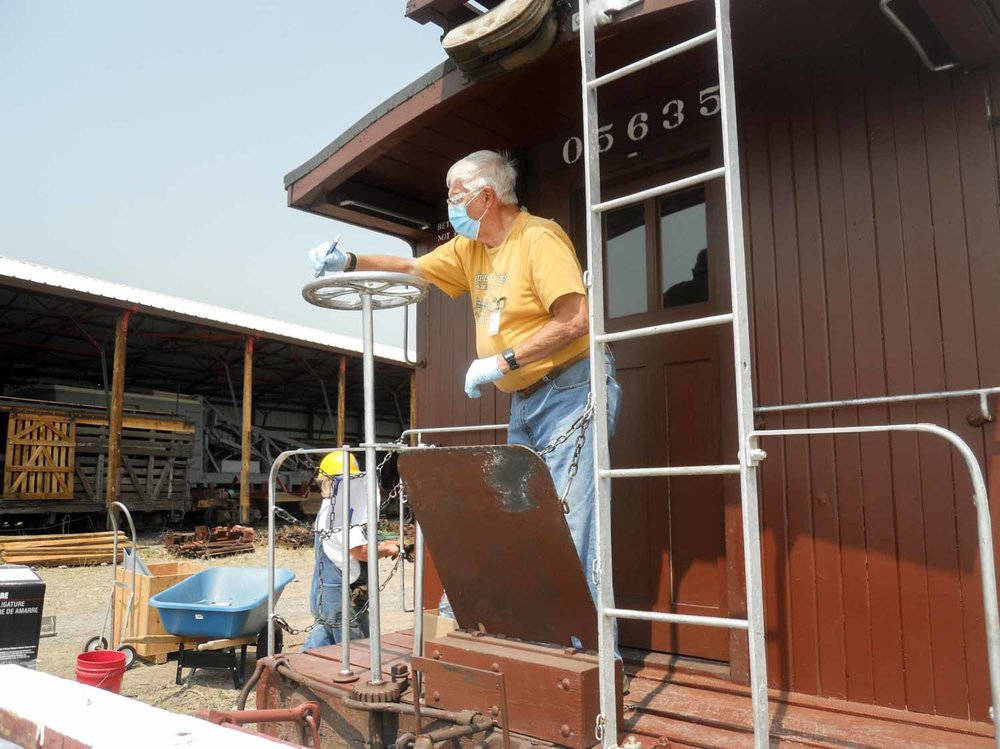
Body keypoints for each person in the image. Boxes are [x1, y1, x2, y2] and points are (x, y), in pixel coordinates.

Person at [307, 150, 623, 646]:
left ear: (485, 196)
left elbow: (577, 319)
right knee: (520, 515)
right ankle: (532, 637)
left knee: (571, 522)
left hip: (572, 388)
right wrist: (348, 261)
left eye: (455, 195)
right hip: (526, 399)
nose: (450, 205)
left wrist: (502, 362)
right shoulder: (470, 248)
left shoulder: (538, 239)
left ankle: (590, 659)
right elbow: (411, 265)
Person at [303, 451, 399, 652]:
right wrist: (388, 549)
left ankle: (289, 676)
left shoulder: (328, 507)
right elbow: (361, 552)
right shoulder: (344, 513)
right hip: (341, 596)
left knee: (321, 643)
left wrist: (384, 542)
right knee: (355, 650)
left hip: (324, 591)